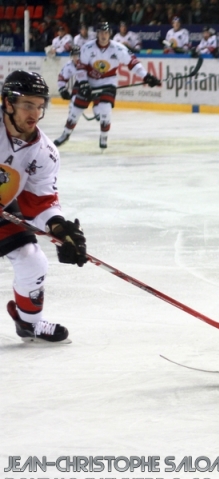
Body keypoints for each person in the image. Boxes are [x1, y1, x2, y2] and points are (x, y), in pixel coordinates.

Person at [1, 71, 89, 343]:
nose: (35, 113)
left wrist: (59, 228)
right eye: (28, 104)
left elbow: (40, 201)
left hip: (5, 203)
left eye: (39, 106)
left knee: (32, 260)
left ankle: (29, 324)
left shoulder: (44, 152)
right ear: (7, 103)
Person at [53, 22, 161, 149]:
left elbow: (132, 63)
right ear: (97, 34)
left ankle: (103, 138)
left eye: (106, 33)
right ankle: (65, 135)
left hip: (108, 82)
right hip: (89, 81)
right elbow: (81, 68)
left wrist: (146, 76)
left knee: (105, 110)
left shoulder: (118, 48)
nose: (103, 36)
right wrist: (83, 84)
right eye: (101, 33)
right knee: (75, 110)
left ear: (110, 34)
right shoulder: (87, 47)